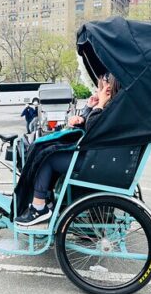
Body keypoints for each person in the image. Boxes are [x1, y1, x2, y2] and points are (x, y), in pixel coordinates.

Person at [15, 73, 119, 226]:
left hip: (96, 161)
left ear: (108, 88)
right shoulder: (117, 105)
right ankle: (47, 201)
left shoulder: (110, 106)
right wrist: (87, 110)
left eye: (101, 86)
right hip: (100, 158)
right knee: (51, 153)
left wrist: (98, 105)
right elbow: (91, 124)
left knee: (47, 157)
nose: (98, 90)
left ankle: (39, 208)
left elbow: (93, 128)